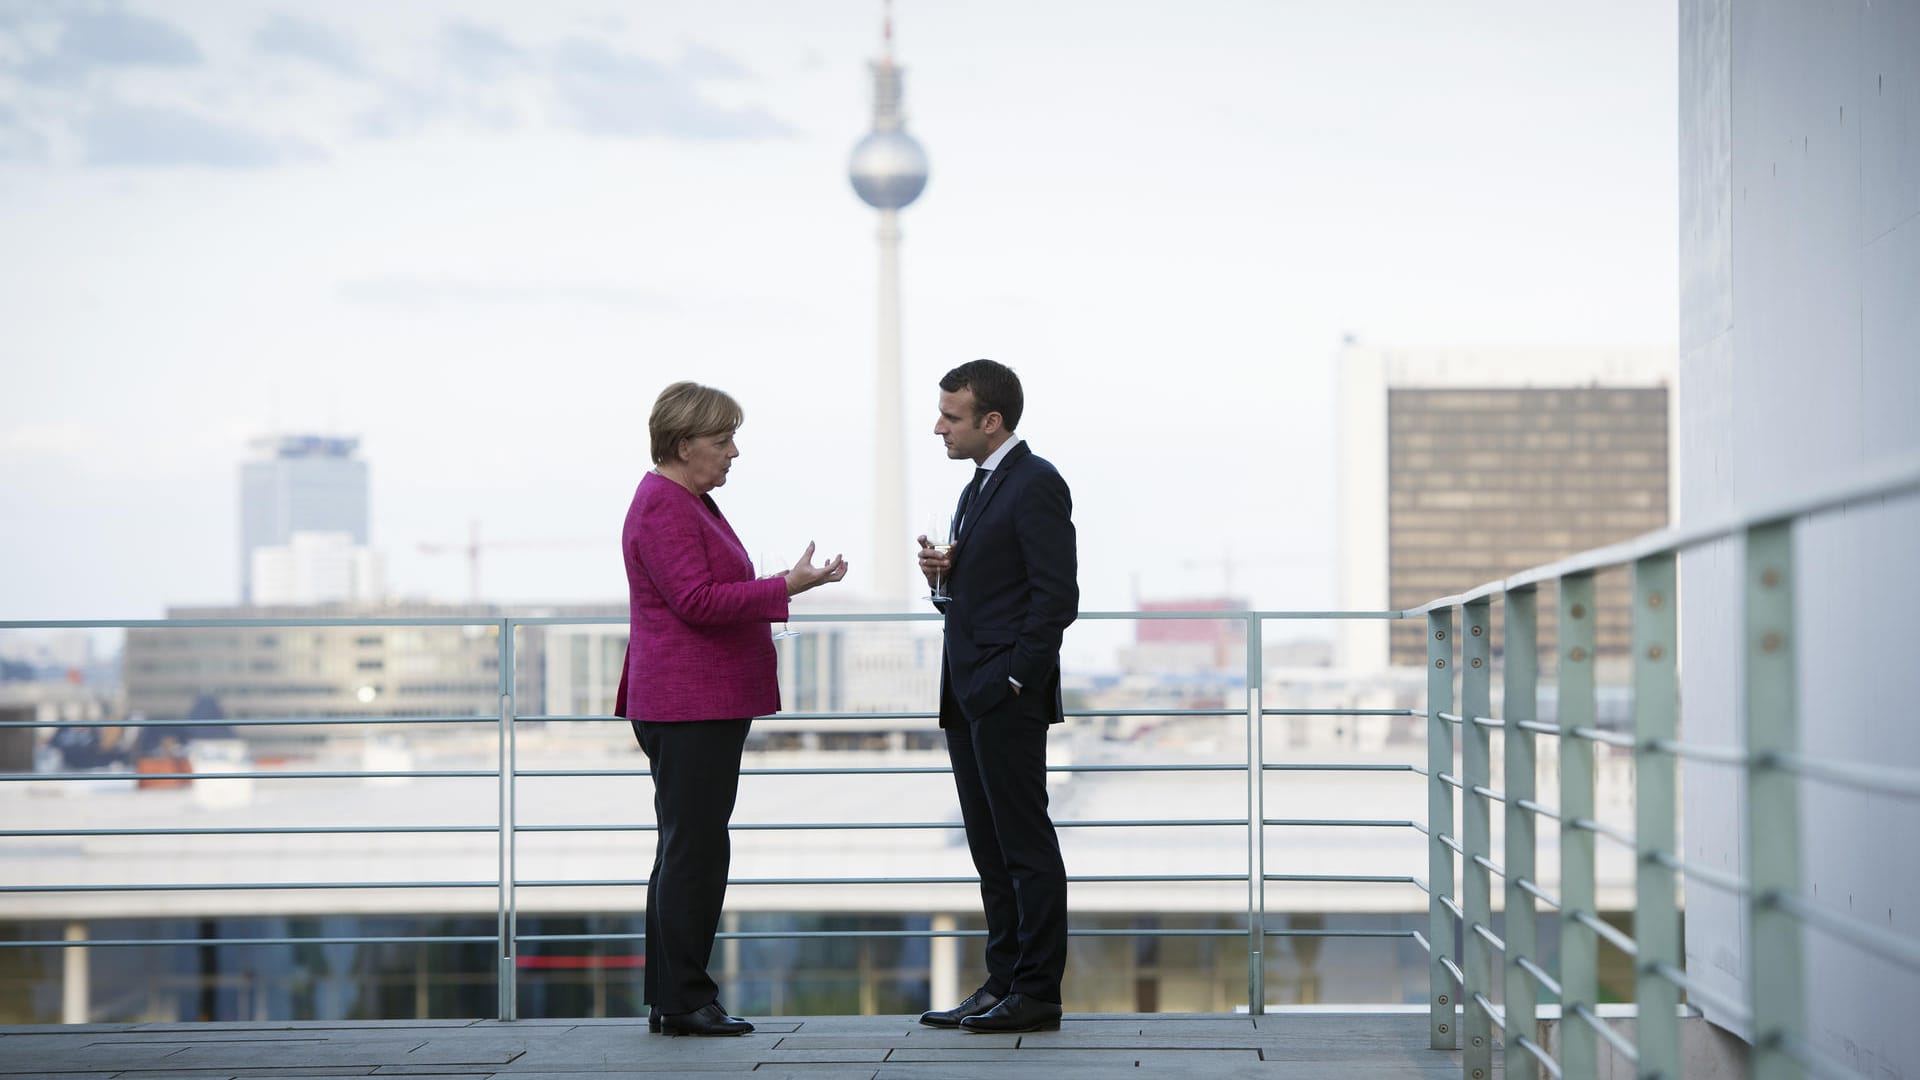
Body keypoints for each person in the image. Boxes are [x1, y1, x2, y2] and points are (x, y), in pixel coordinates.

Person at [615, 380, 847, 1036]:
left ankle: (675, 997)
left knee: (685, 847)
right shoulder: (666, 505)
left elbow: (703, 592)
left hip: (694, 702)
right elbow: (698, 602)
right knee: (695, 850)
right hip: (689, 704)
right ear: (685, 444)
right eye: (722, 442)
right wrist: (784, 586)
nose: (734, 453)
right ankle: (686, 1000)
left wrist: (780, 586)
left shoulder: (686, 500)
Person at [914, 359, 1078, 1034]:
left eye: (951, 417)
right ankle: (1003, 981)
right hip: (968, 693)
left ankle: (1036, 991)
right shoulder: (978, 487)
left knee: (1023, 845)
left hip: (1004, 695)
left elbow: (1056, 597)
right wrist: (944, 580)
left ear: (992, 421)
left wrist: (1015, 678)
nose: (938, 427)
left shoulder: (1035, 483)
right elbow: (986, 597)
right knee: (988, 846)